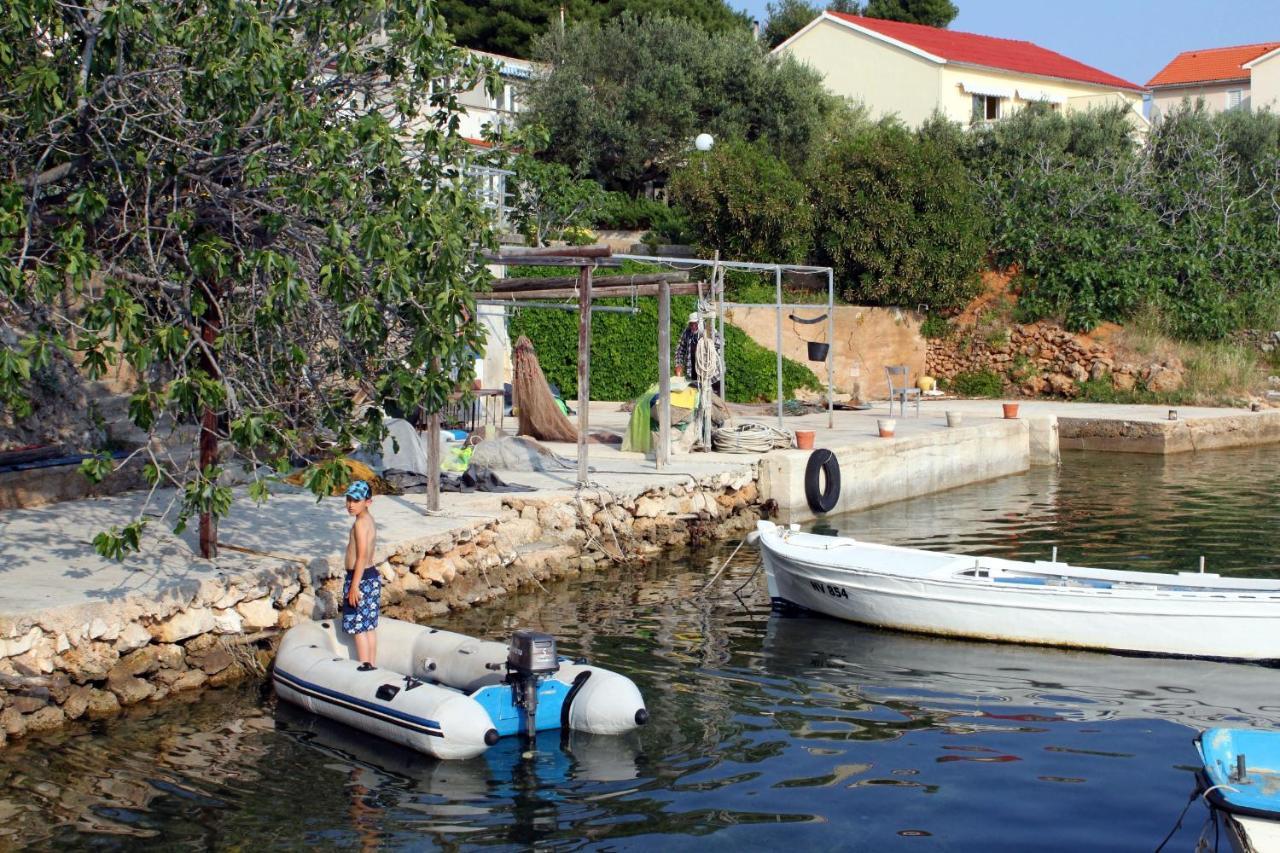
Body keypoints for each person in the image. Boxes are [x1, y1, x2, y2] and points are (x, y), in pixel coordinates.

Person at [342, 480, 379, 666]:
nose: (350, 504)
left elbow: (362, 556)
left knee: (358, 627)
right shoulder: (369, 520)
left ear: (368, 502)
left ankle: (365, 667)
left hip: (360, 578)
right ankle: (371, 664)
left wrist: (354, 586)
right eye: (348, 499)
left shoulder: (359, 524)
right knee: (368, 626)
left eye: (356, 500)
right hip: (370, 576)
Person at [674, 312, 701, 382]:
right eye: (691, 324)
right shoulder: (687, 332)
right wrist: (678, 364)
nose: (693, 326)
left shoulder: (707, 331)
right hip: (691, 370)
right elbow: (680, 349)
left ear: (699, 323)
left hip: (705, 371)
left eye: (695, 324)